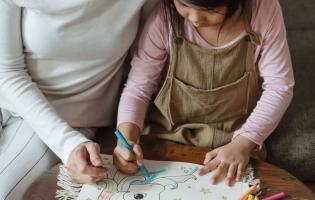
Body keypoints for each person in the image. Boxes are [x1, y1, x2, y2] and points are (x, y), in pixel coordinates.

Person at [113, 0, 294, 187]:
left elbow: (279, 87)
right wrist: (127, 140)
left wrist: (243, 143)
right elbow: (138, 89)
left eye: (209, 9)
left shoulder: (262, 9)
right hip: (168, 134)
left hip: (235, 138)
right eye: (183, 4)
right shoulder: (164, 18)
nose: (195, 18)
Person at [0, 0, 152, 199]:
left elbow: (144, 69)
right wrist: (66, 143)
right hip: (10, 95)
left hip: (67, 118)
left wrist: (68, 143)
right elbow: (7, 71)